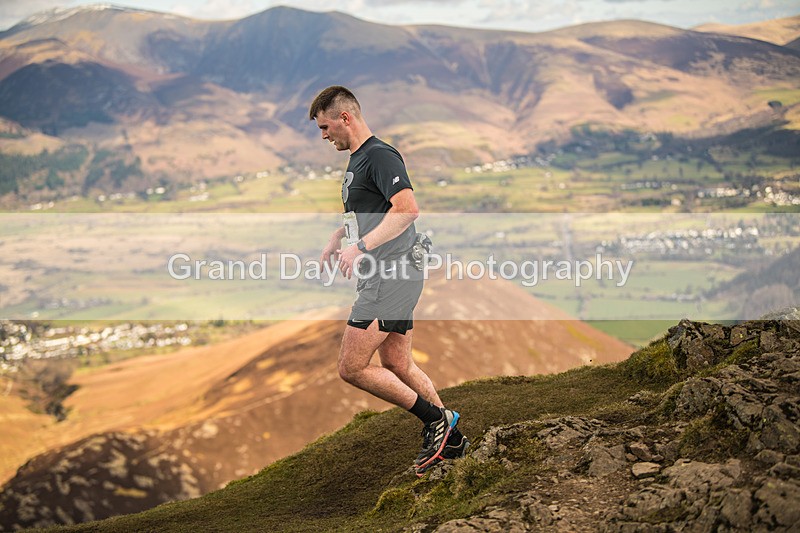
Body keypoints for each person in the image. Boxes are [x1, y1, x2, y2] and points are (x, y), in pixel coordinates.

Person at [309, 86, 468, 475]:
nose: (324, 135)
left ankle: (436, 422)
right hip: (388, 274)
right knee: (397, 362)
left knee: (352, 367)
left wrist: (360, 247)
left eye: (326, 126)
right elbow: (371, 210)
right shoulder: (359, 159)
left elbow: (407, 210)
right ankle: (454, 441)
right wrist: (338, 239)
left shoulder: (379, 155)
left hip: (390, 275)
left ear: (345, 118)